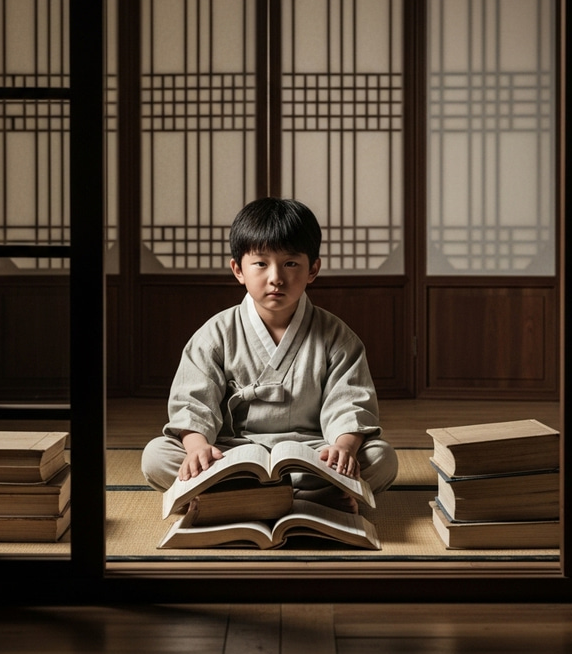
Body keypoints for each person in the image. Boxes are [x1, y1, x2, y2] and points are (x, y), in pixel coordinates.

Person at [141, 197, 398, 512]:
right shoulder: (215, 334)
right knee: (157, 456)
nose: (276, 277)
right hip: (232, 454)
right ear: (239, 270)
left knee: (380, 458)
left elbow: (350, 403)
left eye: (290, 263)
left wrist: (343, 448)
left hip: (312, 456)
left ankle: (232, 500)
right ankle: (311, 501)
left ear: (312, 269)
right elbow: (192, 404)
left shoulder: (337, 337)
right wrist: (197, 448)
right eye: (261, 263)